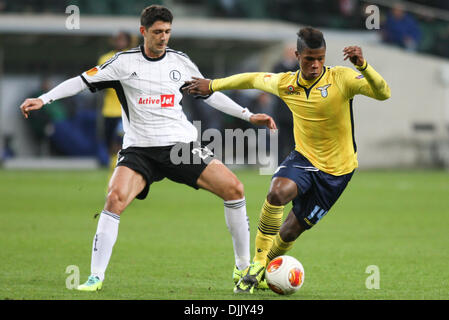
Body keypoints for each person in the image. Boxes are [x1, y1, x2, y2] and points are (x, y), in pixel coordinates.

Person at [19, 5, 276, 292]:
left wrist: (248, 115)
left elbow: (209, 94)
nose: (163, 37)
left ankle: (242, 269)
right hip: (140, 150)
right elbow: (80, 81)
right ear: (143, 32)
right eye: (157, 32)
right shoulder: (122, 63)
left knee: (235, 189)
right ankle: (95, 277)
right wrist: (44, 99)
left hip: (181, 146)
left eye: (167, 31)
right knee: (114, 198)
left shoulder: (180, 61)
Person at [184, 26, 391, 293]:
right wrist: (212, 84)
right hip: (303, 157)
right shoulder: (286, 83)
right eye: (309, 59)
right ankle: (258, 264)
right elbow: (252, 79)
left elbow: (383, 92)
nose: (315, 65)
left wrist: (364, 66)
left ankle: (265, 270)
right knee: (277, 192)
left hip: (337, 172)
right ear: (297, 55)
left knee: (290, 232)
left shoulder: (343, 78)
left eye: (320, 58)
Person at [98, 31, 132, 176]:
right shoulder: (105, 58)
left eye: (122, 39)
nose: (119, 42)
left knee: (120, 146)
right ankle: (114, 181)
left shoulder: (132, 58)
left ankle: (122, 181)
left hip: (126, 111)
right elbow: (100, 81)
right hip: (109, 110)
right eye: (117, 39)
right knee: (111, 149)